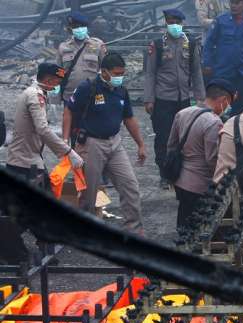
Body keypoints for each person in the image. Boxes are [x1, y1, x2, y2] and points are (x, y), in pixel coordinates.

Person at [63, 52, 147, 234]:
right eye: (116, 73)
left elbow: (129, 118)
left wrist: (141, 144)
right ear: (104, 71)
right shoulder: (88, 88)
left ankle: (134, 229)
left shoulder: (121, 90)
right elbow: (69, 111)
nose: (120, 77)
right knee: (89, 193)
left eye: (122, 73)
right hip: (91, 145)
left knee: (130, 186)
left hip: (115, 144)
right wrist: (64, 141)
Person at [144, 9, 205, 189]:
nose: (174, 25)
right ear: (166, 23)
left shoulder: (191, 44)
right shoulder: (157, 44)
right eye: (171, 22)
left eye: (177, 22)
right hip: (163, 99)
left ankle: (179, 172)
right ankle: (165, 174)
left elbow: (196, 72)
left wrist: (200, 97)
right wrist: (149, 99)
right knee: (163, 138)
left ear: (182, 23)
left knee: (184, 138)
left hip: (183, 99)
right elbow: (150, 73)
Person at [168, 79, 236, 230]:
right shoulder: (214, 122)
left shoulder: (183, 113)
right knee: (198, 226)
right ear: (223, 100)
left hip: (180, 179)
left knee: (184, 218)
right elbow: (212, 159)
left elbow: (171, 145)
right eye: (229, 103)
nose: (228, 108)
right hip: (199, 183)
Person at [7, 63, 84, 188]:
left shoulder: (34, 92)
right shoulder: (35, 96)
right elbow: (42, 129)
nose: (58, 86)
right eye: (57, 82)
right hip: (25, 162)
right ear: (48, 80)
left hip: (29, 157)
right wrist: (68, 152)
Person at [203, 0, 243, 114]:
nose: (233, 6)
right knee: (218, 104)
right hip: (222, 71)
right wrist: (207, 64)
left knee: (240, 105)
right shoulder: (220, 21)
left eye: (237, 3)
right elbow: (209, 44)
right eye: (232, 3)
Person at [56, 11, 106, 102]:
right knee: (69, 116)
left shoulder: (98, 45)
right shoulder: (63, 47)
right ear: (70, 29)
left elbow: (106, 70)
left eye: (81, 26)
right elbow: (59, 73)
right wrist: (55, 98)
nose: (79, 29)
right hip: (70, 96)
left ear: (86, 28)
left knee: (96, 116)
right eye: (75, 27)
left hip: (93, 95)